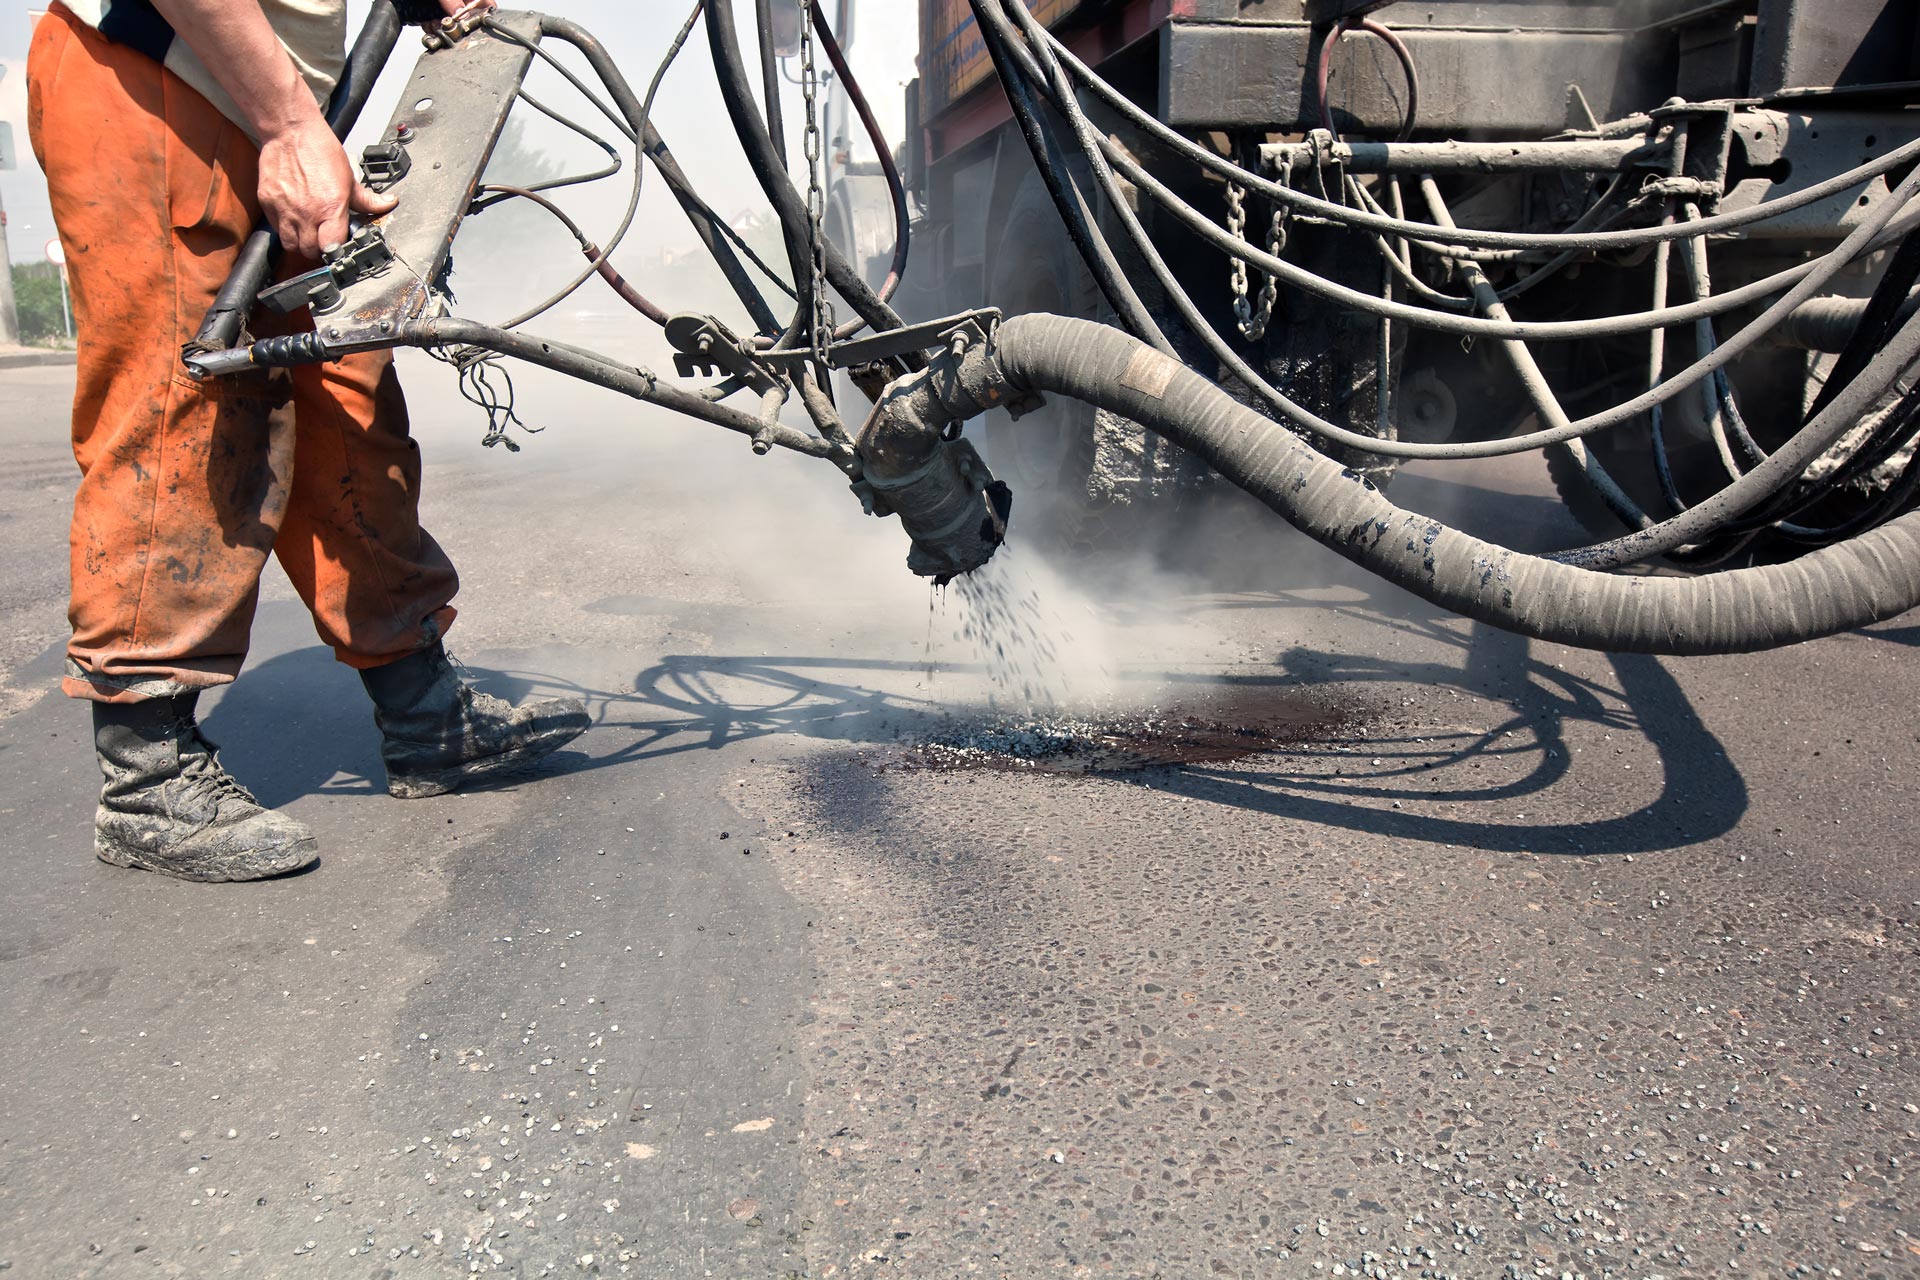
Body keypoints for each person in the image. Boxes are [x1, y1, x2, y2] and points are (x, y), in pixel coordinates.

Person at [26, 0, 589, 883]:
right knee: (183, 412)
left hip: (280, 108)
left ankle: (421, 711)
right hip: (157, 81)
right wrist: (288, 122)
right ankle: (145, 776)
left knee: (347, 400)